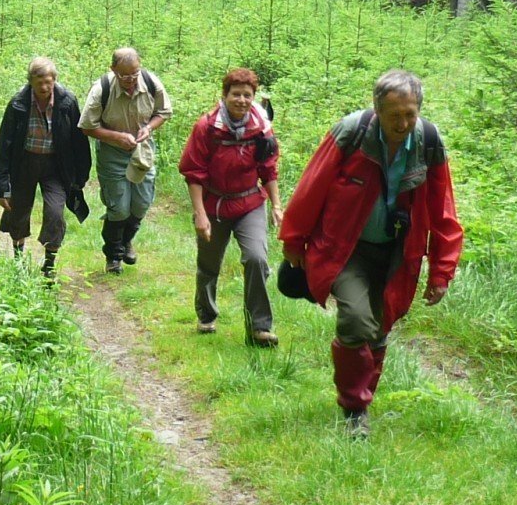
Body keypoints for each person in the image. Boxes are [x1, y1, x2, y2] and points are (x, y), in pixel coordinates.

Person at [277, 69, 464, 437]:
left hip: (398, 252)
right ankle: (354, 408)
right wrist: (293, 240)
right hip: (345, 249)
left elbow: (444, 210)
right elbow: (312, 185)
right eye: (395, 115)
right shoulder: (352, 132)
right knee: (357, 321)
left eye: (410, 114)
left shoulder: (428, 141)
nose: (404, 122)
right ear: (377, 110)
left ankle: (362, 402)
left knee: (380, 327)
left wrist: (442, 270)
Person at [178, 67, 281, 346]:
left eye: (247, 95)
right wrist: (200, 214)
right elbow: (193, 172)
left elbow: (269, 168)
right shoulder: (207, 127)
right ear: (224, 96)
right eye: (236, 94)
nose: (242, 100)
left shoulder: (261, 128)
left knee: (257, 259)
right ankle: (207, 314)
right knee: (209, 264)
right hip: (214, 204)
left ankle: (259, 327)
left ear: (253, 97)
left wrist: (276, 206)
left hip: (249, 202)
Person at [0, 57, 92, 279]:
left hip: (56, 166)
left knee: (55, 212)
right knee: (17, 211)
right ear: (30, 83)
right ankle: (18, 261)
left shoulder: (67, 102)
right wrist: (1, 186)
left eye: (48, 82)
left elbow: (79, 141)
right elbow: (3, 144)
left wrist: (79, 178)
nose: (45, 87)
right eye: (39, 83)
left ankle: (49, 265)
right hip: (24, 163)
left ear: (54, 79)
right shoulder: (18, 103)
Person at [79, 47, 174, 273]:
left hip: (142, 150)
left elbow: (164, 112)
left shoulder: (151, 83)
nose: (130, 80)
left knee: (141, 204)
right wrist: (117, 137)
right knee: (119, 208)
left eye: (135, 74)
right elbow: (87, 127)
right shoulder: (101, 89)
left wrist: (149, 128)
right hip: (112, 153)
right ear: (113, 70)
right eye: (124, 76)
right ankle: (114, 256)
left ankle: (126, 240)